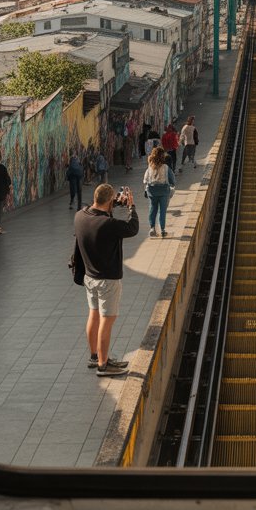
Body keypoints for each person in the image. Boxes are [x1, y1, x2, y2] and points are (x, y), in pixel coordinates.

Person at [75, 182, 139, 376]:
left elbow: (98, 213)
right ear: (109, 202)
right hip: (107, 280)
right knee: (107, 320)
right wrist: (131, 207)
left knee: (93, 315)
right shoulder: (109, 224)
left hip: (89, 276)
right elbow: (132, 228)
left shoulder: (80, 216)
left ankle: (95, 356)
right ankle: (104, 365)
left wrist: (113, 204)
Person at [143, 146, 176, 237]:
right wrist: (172, 185)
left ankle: (152, 228)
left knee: (153, 209)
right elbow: (172, 180)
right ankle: (162, 230)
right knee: (162, 211)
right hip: (163, 191)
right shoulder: (166, 167)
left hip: (152, 191)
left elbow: (145, 180)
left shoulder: (150, 167)